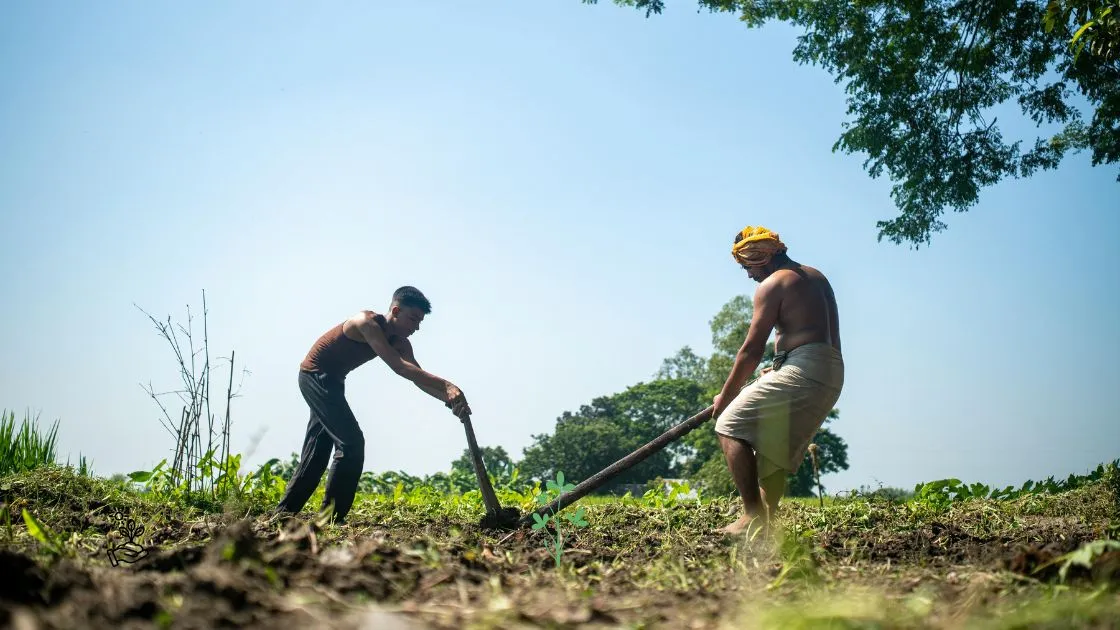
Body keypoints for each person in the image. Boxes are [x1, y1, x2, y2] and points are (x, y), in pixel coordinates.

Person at [271, 286, 471, 524]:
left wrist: (449, 399)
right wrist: (448, 385)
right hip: (315, 376)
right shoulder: (366, 323)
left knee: (317, 452)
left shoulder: (400, 343)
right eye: (413, 319)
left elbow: (416, 376)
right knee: (351, 443)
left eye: (420, 322)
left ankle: (282, 515)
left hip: (333, 382)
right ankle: (331, 518)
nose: (416, 327)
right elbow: (399, 367)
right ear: (395, 310)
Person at [710, 226, 844, 535]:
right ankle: (766, 522)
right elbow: (823, 337)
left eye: (747, 266)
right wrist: (785, 365)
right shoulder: (816, 277)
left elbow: (750, 350)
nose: (748, 275)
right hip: (830, 369)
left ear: (760, 257)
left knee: (729, 425)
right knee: (774, 443)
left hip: (805, 369)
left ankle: (752, 516)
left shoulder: (773, 284)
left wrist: (725, 396)